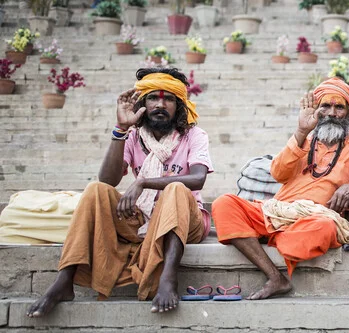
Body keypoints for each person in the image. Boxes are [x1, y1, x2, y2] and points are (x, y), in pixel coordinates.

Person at [28, 67, 212, 316]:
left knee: (176, 189)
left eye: (168, 98)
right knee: (95, 190)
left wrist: (144, 182)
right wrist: (120, 129)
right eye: (153, 98)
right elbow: (107, 179)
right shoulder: (133, 136)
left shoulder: (193, 135)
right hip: (143, 217)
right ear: (142, 103)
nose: (160, 104)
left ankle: (168, 279)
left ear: (179, 105)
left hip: (186, 219)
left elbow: (198, 178)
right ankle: (64, 280)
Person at [212, 78, 349, 300]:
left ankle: (259, 237)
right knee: (224, 204)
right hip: (277, 211)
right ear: (316, 110)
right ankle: (275, 277)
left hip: (316, 218)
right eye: (325, 106)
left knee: (324, 228)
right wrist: (300, 132)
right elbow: (278, 173)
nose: (332, 112)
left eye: (339, 107)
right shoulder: (304, 139)